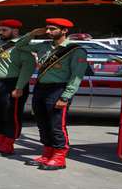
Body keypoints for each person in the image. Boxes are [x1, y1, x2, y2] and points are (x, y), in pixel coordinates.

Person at [16, 18, 88, 170]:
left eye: (53, 29)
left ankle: (59, 156)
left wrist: (65, 97)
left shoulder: (75, 50)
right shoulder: (44, 46)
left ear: (64, 31)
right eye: (47, 28)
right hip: (41, 87)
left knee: (57, 124)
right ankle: (47, 153)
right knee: (42, 123)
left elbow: (76, 76)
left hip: (59, 89)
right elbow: (19, 45)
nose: (48, 32)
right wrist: (32, 33)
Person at [0, 19, 36, 156]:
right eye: (0, 30)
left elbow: (27, 69)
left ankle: (8, 143)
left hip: (12, 84)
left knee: (10, 115)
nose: (1, 33)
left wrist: (19, 87)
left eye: (5, 30)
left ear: (15, 31)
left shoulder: (22, 46)